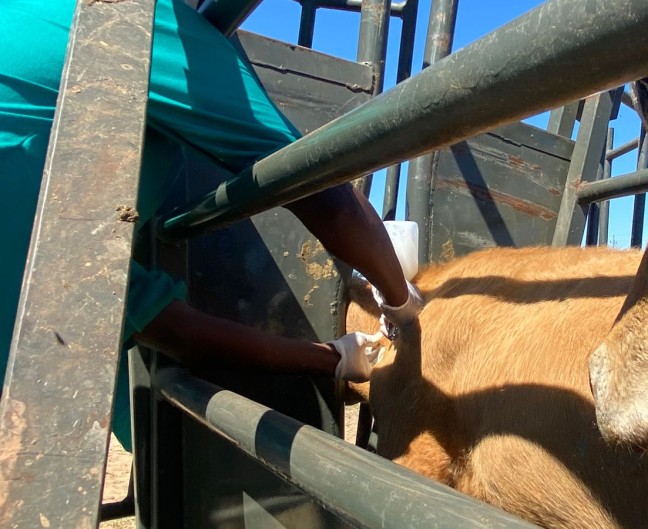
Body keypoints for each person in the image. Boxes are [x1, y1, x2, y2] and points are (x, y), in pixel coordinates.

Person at [0, 0, 423, 449]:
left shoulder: (62, 232)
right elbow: (312, 181)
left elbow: (171, 328)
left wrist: (333, 359)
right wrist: (398, 299)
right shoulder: (125, 22)